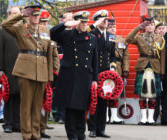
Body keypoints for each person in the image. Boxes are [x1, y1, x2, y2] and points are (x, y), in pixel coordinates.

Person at [2, 5, 53, 140]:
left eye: (37, 15)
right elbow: (5, 24)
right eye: (33, 15)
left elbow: (48, 53)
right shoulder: (20, 28)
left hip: (41, 70)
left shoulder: (45, 31)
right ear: (28, 16)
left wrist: (49, 74)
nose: (36, 18)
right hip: (25, 70)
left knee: (37, 105)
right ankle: (26, 133)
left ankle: (36, 133)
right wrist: (21, 15)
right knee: (26, 104)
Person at [51, 11, 98, 140]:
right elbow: (52, 33)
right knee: (71, 108)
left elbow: (94, 61)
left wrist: (95, 79)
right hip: (70, 76)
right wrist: (66, 24)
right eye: (81, 22)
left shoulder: (92, 38)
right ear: (76, 22)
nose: (84, 25)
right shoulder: (67, 35)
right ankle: (72, 135)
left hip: (85, 77)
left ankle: (81, 134)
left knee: (82, 108)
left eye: (85, 22)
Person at [126, 16, 165, 125]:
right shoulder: (139, 37)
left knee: (153, 95)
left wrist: (162, 72)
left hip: (155, 66)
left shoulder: (160, 38)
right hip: (142, 66)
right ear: (144, 27)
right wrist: (137, 28)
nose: (150, 27)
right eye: (148, 25)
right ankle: (143, 118)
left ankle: (151, 119)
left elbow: (162, 56)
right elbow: (127, 39)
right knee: (142, 94)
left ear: (154, 27)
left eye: (152, 25)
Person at [87, 10, 116, 138]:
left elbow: (113, 56)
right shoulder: (92, 33)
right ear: (98, 21)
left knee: (104, 101)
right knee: (94, 101)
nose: (106, 22)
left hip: (106, 73)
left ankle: (101, 129)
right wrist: (94, 25)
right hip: (95, 72)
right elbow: (85, 32)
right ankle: (92, 129)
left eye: (107, 19)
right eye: (104, 20)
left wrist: (113, 67)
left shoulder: (110, 36)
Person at [0, 6, 21, 133]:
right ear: (9, 15)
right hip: (8, 69)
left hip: (22, 70)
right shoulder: (3, 30)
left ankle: (17, 123)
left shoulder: (23, 29)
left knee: (19, 97)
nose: (17, 16)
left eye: (18, 14)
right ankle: (8, 124)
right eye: (14, 14)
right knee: (9, 97)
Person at [39, 10, 60, 139]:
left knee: (46, 101)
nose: (45, 24)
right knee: (36, 103)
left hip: (48, 74)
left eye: (46, 21)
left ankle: (42, 127)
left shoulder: (50, 36)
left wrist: (55, 71)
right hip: (36, 73)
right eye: (42, 21)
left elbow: (55, 56)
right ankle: (34, 128)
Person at [106, 18, 129, 124]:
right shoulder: (103, 39)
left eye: (114, 27)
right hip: (105, 68)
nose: (112, 29)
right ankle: (105, 116)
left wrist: (125, 71)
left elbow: (125, 57)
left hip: (118, 68)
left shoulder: (121, 40)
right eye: (110, 27)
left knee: (115, 93)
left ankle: (114, 117)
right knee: (105, 92)